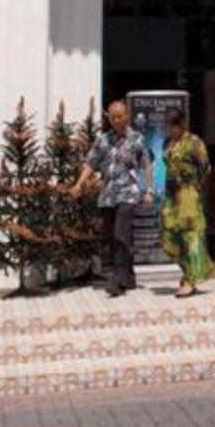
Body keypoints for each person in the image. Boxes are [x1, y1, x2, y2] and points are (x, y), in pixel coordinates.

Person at [74, 99, 153, 297]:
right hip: (108, 195)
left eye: (120, 116)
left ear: (127, 116)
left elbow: (146, 165)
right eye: (113, 117)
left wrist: (149, 190)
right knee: (113, 238)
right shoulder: (102, 140)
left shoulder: (137, 139)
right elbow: (90, 164)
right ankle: (130, 275)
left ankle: (117, 280)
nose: (117, 120)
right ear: (108, 118)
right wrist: (79, 184)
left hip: (129, 192)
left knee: (120, 233)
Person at [159, 109, 214, 297]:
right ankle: (187, 273)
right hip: (170, 195)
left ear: (182, 123)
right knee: (169, 234)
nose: (172, 128)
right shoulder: (167, 142)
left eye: (175, 124)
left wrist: (194, 185)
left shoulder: (194, 142)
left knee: (190, 236)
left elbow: (205, 167)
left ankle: (190, 280)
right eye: (169, 125)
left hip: (188, 194)